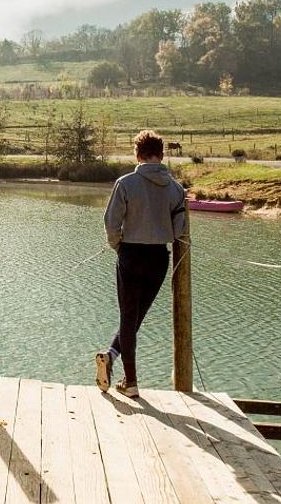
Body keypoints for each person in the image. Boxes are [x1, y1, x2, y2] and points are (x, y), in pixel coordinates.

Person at [95, 129, 187, 398]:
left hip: (131, 254)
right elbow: (179, 229)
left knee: (128, 317)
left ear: (137, 154)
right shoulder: (176, 188)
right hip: (159, 258)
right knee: (136, 317)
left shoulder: (125, 183)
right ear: (161, 155)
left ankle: (131, 382)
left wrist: (118, 245)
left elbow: (111, 222)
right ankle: (111, 355)